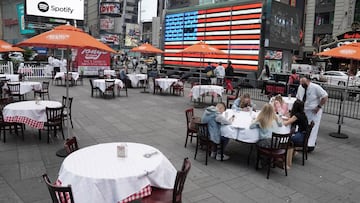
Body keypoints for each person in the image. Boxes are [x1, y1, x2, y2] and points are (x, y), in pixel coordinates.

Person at [296, 76, 328, 152]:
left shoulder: (315, 87)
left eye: (303, 83)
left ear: (308, 81)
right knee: (303, 127)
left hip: (314, 111)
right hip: (304, 110)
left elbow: (325, 96)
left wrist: (319, 106)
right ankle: (302, 142)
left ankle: (310, 145)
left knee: (312, 128)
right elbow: (298, 98)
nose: (302, 84)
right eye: (301, 83)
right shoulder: (301, 87)